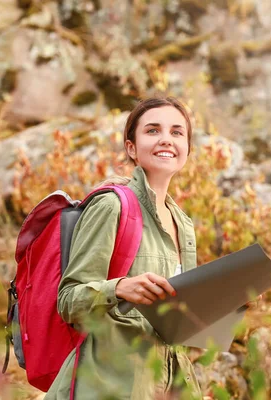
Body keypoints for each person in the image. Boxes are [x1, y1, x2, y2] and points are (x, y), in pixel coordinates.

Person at [44, 97, 202, 400]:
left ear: (187, 148)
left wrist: (232, 301)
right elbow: (67, 301)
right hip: (109, 384)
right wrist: (119, 288)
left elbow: (180, 323)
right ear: (131, 148)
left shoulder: (183, 224)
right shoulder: (112, 206)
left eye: (177, 132)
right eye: (153, 131)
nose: (166, 139)